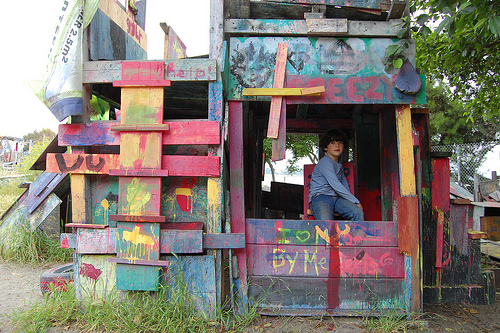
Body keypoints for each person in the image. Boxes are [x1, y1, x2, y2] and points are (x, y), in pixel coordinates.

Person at [309, 129, 364, 221]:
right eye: (332, 142)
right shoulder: (325, 162)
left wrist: (352, 203)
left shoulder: (338, 165)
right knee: (327, 225)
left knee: (357, 212)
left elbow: (344, 185)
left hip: (337, 198)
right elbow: (336, 185)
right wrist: (355, 201)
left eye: (340, 142)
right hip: (321, 197)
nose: (337, 145)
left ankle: (357, 235)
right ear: (325, 147)